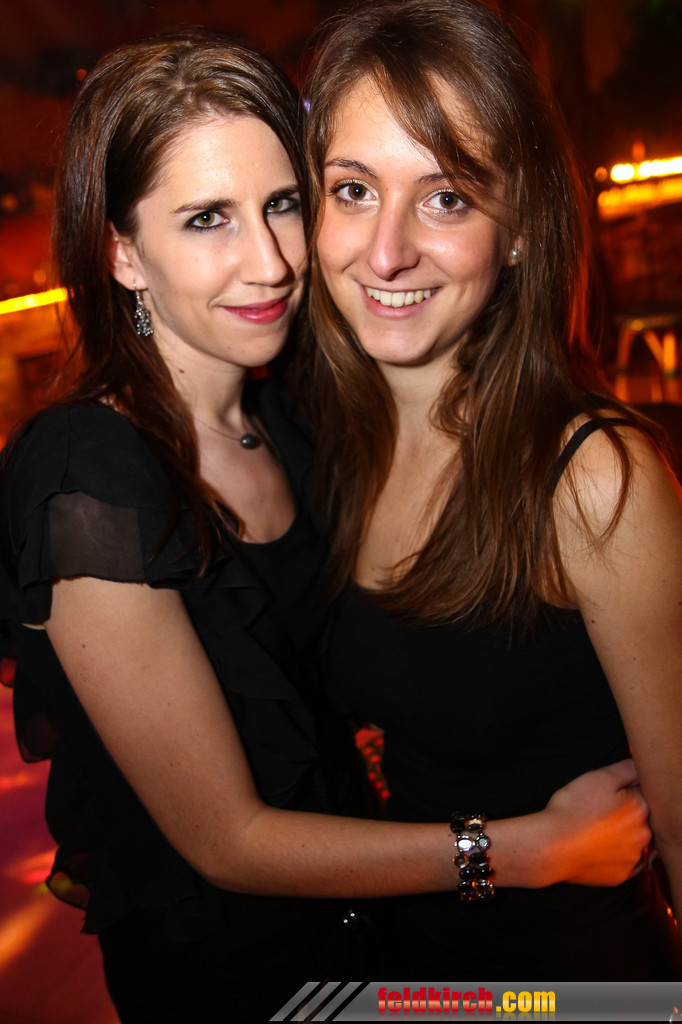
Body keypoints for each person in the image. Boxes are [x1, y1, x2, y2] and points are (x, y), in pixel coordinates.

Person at [0, 29, 654, 1022]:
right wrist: (520, 849)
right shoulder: (89, 480)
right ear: (122, 252)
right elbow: (224, 839)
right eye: (207, 218)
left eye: (283, 205)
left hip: (382, 949)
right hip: (242, 981)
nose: (269, 262)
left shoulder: (292, 421)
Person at [300, 0, 682, 980]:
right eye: (352, 189)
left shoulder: (591, 477)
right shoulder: (331, 448)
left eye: (446, 198)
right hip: (400, 975)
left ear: (517, 230)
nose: (385, 251)